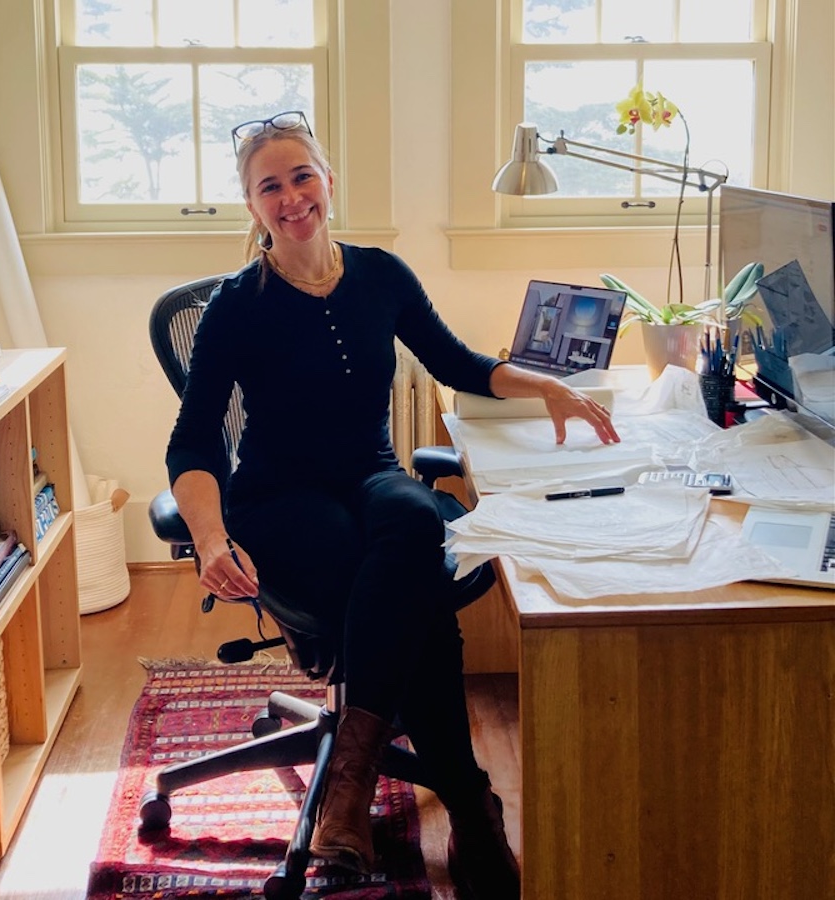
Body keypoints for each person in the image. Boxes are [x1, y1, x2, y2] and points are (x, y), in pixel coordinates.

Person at [164, 111, 620, 899]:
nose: (291, 197)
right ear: (251, 205)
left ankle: (352, 783)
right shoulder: (238, 306)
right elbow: (194, 443)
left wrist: (543, 382)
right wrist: (208, 539)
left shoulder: (381, 275)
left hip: (368, 472)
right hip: (279, 496)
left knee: (411, 519)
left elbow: (458, 363)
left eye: (302, 176)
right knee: (403, 585)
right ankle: (471, 807)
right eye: (269, 186)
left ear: (329, 181)